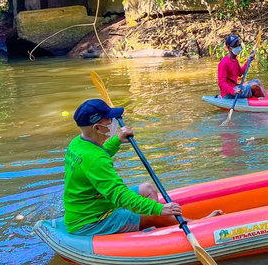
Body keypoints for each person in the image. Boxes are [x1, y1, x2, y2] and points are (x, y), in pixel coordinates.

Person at [63, 98, 222, 235]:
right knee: (154, 213)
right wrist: (158, 209)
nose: (113, 123)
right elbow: (119, 195)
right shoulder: (95, 158)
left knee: (148, 189)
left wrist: (117, 140)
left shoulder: (78, 143)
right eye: (109, 120)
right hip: (93, 220)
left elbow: (97, 156)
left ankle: (153, 227)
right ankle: (197, 224)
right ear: (97, 128)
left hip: (93, 205)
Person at [217, 34, 268, 99]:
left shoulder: (235, 60)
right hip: (229, 93)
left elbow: (240, 73)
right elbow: (221, 83)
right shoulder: (224, 62)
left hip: (236, 87)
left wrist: (249, 60)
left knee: (258, 81)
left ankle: (267, 99)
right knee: (254, 86)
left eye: (239, 45)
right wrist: (233, 91)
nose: (239, 47)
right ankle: (265, 102)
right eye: (236, 45)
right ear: (229, 48)